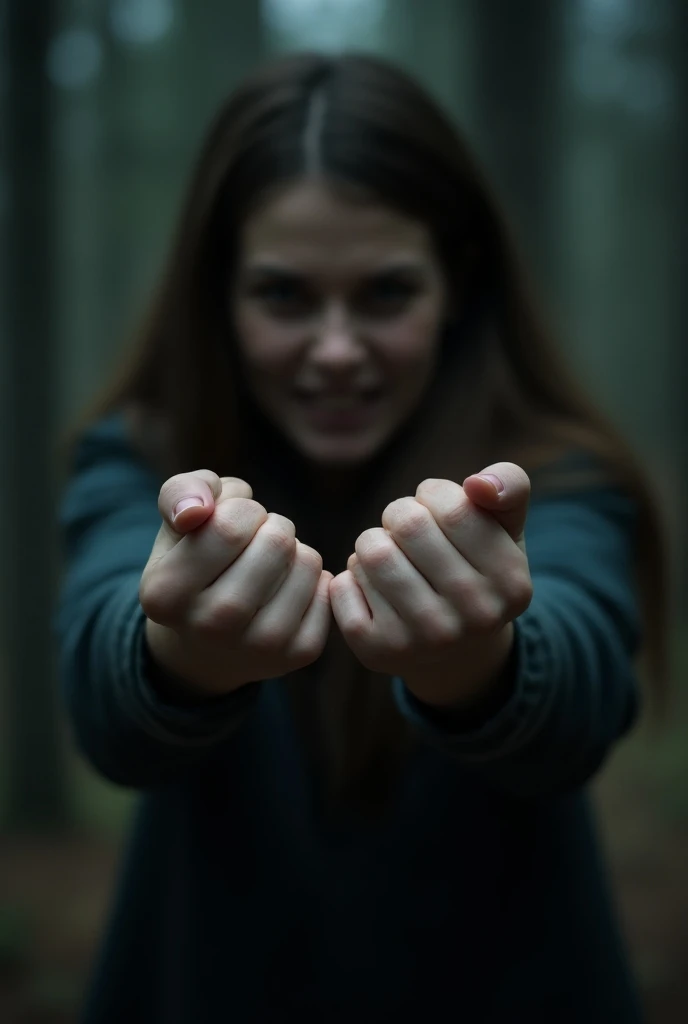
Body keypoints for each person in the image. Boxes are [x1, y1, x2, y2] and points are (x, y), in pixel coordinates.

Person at [57, 51, 666, 1024]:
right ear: (219, 296)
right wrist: (177, 652)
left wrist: (486, 664)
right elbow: (101, 690)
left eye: (384, 293)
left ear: (454, 288)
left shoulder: (557, 475)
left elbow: (583, 691)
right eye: (285, 296)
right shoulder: (139, 460)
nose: (335, 350)